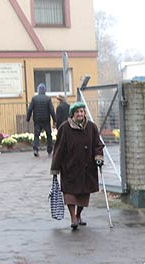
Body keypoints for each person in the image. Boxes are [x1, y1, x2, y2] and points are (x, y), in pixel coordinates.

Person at [50, 102, 104, 230]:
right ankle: (73, 218)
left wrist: (98, 157)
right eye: (77, 112)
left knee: (84, 195)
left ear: (84, 113)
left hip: (87, 167)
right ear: (72, 114)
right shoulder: (65, 128)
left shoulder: (91, 127)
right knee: (69, 194)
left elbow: (98, 144)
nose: (80, 114)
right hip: (69, 167)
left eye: (81, 111)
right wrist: (55, 168)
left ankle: (78, 214)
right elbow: (59, 148)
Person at [26, 83, 56, 157]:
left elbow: (30, 109)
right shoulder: (48, 98)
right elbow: (51, 110)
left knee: (36, 135)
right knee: (49, 135)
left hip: (37, 120)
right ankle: (49, 150)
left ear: (38, 90)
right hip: (46, 120)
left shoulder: (34, 98)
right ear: (45, 90)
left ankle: (35, 149)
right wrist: (55, 119)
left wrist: (28, 118)